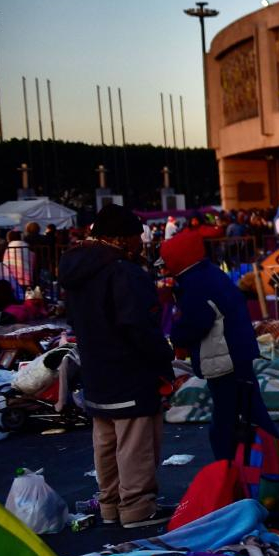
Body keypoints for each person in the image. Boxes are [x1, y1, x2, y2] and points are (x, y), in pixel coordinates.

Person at [59, 204, 175, 528]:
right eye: (137, 235)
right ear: (122, 238)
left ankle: (109, 504)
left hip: (96, 370)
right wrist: (162, 360)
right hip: (130, 372)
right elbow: (139, 326)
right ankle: (137, 507)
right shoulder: (124, 272)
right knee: (135, 443)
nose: (141, 242)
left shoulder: (77, 271)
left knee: (106, 442)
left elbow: (73, 320)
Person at [163, 231, 279, 462]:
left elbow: (199, 321)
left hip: (223, 358)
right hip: (238, 351)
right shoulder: (212, 274)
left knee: (224, 422)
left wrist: (177, 335)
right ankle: (278, 462)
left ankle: (228, 471)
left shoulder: (194, 284)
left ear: (179, 260)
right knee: (251, 409)